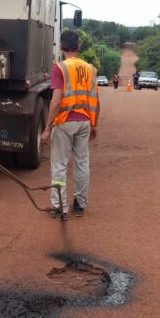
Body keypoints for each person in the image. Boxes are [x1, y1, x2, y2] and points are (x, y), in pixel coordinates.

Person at [40, 30, 100, 221]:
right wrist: (94, 124)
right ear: (78, 47)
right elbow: (96, 99)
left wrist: (47, 127)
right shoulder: (90, 69)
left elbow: (56, 101)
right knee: (82, 163)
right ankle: (80, 204)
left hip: (64, 121)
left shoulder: (60, 68)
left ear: (61, 47)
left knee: (59, 164)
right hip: (84, 121)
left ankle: (60, 207)